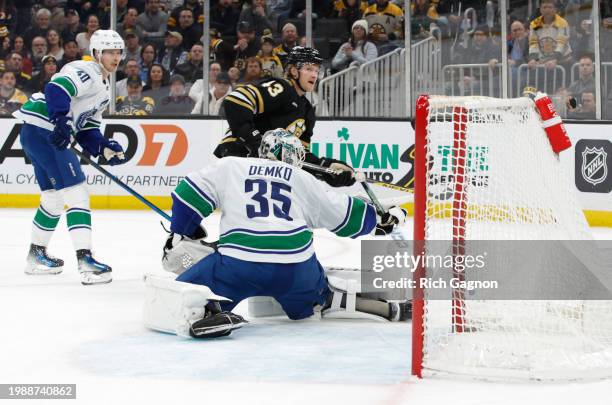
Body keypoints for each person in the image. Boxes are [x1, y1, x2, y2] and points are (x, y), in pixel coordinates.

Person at [150, 129, 408, 338]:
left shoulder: (231, 166)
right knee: (316, 297)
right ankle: (354, 303)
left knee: (186, 293)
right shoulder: (303, 178)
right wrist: (383, 219)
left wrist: (181, 232)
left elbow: (186, 195)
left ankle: (209, 310)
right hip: (295, 270)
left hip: (238, 266)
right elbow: (346, 217)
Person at [12, 30, 127, 285]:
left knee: (53, 198)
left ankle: (36, 255)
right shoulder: (89, 71)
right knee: (77, 193)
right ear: (97, 53)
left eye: (119, 52)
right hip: (45, 129)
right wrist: (62, 119)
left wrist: (103, 147)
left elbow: (87, 129)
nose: (115, 57)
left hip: (36, 131)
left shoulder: (104, 88)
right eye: (110, 51)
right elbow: (56, 88)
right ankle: (86, 261)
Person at [215, 46, 356, 188]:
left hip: (265, 169)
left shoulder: (307, 111)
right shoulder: (283, 88)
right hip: (239, 155)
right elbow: (236, 100)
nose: (314, 75)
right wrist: (256, 141)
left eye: (316, 70)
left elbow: (299, 157)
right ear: (294, 71)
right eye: (308, 69)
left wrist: (326, 168)